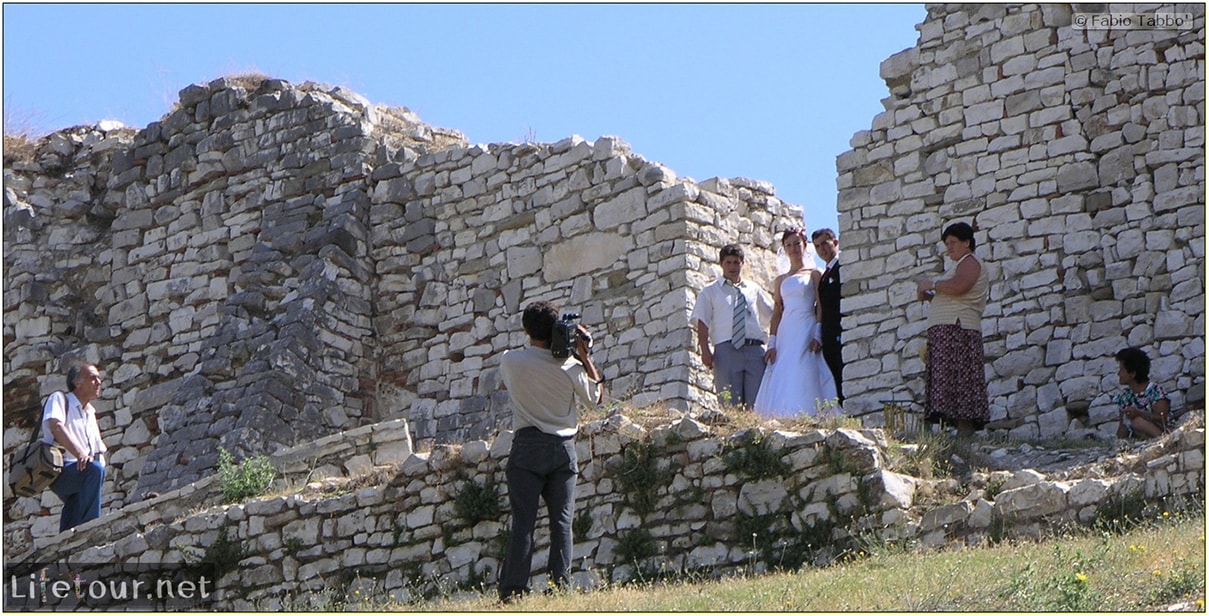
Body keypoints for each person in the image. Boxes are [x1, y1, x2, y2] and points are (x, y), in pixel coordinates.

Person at [497, 301, 603, 603]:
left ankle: (513, 590)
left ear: (527, 329)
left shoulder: (511, 361)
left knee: (523, 523)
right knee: (561, 522)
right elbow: (596, 397)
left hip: (527, 446)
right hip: (562, 449)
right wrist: (585, 356)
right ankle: (559, 587)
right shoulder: (569, 366)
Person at [916, 222, 990, 437]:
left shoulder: (970, 263)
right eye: (947, 243)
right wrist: (929, 296)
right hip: (948, 330)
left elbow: (960, 287)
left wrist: (932, 284)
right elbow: (952, 296)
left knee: (959, 382)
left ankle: (964, 435)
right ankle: (958, 436)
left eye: (953, 242)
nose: (949, 247)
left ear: (967, 242)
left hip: (958, 331)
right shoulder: (957, 265)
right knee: (951, 382)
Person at [753, 229, 837, 418]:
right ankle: (782, 413)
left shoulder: (815, 274)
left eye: (797, 244)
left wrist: (817, 333)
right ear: (784, 249)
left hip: (806, 325)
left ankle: (809, 412)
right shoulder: (780, 280)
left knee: (805, 367)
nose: (793, 249)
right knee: (784, 369)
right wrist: (772, 343)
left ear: (804, 246)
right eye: (788, 245)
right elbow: (776, 313)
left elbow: (819, 305)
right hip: (786, 330)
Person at [690, 244, 775, 406]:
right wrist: (705, 350)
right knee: (729, 400)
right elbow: (702, 321)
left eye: (736, 262)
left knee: (758, 401)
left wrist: (773, 343)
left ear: (742, 263)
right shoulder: (710, 291)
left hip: (754, 350)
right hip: (726, 350)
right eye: (728, 262)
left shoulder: (753, 289)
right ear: (721, 264)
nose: (732, 267)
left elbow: (772, 314)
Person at [43, 362, 108, 532]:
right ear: (77, 382)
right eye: (93, 378)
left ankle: (65, 545)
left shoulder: (90, 413)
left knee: (75, 507)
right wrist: (80, 454)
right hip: (61, 470)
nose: (99, 382)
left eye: (99, 379)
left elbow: (96, 448)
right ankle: (91, 528)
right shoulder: (59, 399)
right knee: (94, 470)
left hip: (81, 472)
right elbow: (56, 426)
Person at [812, 228, 844, 406]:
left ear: (835, 242)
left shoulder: (841, 269)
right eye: (817, 246)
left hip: (838, 331)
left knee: (840, 371)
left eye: (825, 243)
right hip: (828, 334)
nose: (821, 249)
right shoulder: (824, 275)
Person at [1113, 347, 1170, 439]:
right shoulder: (1124, 397)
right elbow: (1122, 427)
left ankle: (1165, 442)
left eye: (1122, 369)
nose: (1118, 374)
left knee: (1137, 421)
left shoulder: (1155, 391)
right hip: (1140, 440)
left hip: (1161, 434)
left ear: (1132, 373)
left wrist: (1139, 414)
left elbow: (1163, 418)